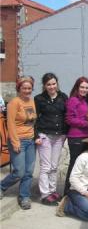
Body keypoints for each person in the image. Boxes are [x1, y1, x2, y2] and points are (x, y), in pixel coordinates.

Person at [0, 76, 37, 209]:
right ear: (19, 88)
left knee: (29, 172)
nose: (27, 90)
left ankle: (24, 196)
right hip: (18, 141)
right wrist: (15, 142)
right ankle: (2, 186)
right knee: (19, 172)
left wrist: (36, 137)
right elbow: (10, 124)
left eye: (29, 88)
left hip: (31, 141)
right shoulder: (14, 103)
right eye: (24, 88)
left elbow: (33, 122)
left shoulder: (32, 101)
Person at [34, 73, 69, 206]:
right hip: (45, 135)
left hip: (59, 136)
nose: (51, 86)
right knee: (46, 166)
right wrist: (36, 136)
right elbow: (34, 119)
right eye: (48, 84)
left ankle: (52, 190)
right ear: (44, 86)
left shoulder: (63, 97)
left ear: (57, 83)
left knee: (54, 166)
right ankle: (45, 194)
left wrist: (65, 133)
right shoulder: (39, 99)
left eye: (53, 84)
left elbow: (66, 115)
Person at [64, 77, 88, 195]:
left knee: (82, 167)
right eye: (82, 87)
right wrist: (86, 123)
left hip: (87, 136)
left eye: (87, 88)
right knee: (74, 166)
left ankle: (77, 191)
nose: (84, 90)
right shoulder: (73, 100)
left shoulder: (86, 101)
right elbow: (69, 119)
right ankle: (67, 193)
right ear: (77, 87)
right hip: (76, 137)